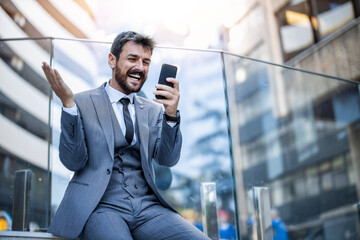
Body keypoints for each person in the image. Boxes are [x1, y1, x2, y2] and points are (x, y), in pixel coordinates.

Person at [42, 31, 210, 240]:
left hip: (148, 209)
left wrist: (171, 115)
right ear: (112, 60)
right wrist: (68, 106)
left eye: (146, 61)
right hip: (101, 207)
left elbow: (167, 159)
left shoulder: (154, 110)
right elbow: (72, 162)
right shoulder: (81, 103)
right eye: (132, 59)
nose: (140, 67)